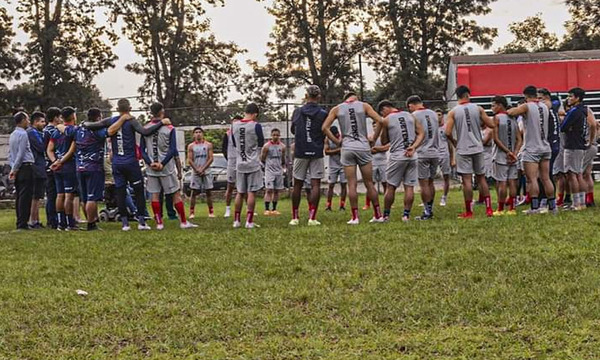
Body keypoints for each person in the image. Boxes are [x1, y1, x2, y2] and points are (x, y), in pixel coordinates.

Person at [82, 98, 168, 231]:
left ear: (117, 109)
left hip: (117, 163)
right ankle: (141, 222)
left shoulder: (111, 121)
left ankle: (125, 224)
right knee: (139, 192)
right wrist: (161, 123)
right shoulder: (131, 120)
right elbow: (145, 132)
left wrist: (83, 123)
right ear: (129, 108)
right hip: (131, 163)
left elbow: (89, 125)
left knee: (120, 192)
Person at [322, 92, 384, 225]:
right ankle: (378, 215)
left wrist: (337, 142)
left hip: (347, 148)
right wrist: (373, 138)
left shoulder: (337, 108)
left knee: (351, 184)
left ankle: (355, 217)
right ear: (356, 99)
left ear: (345, 99)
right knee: (369, 183)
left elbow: (324, 128)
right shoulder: (364, 106)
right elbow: (381, 120)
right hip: (363, 147)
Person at [140, 102, 195, 230]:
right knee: (175, 194)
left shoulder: (145, 128)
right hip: (166, 168)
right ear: (162, 111)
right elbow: (172, 150)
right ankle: (183, 222)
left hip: (151, 167)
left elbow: (142, 150)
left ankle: (159, 223)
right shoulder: (170, 128)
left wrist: (150, 163)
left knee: (154, 194)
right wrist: (162, 163)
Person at [445, 85, 495, 218]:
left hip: (463, 148)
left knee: (467, 180)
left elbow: (447, 132)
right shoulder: (478, 108)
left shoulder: (453, 112)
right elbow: (491, 124)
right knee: (481, 178)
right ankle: (489, 209)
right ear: (468, 94)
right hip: (478, 147)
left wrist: (455, 142)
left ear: (457, 96)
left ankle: (469, 211)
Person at [508, 85, 556, 214]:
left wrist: (514, 108)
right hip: (545, 146)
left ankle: (535, 207)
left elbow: (511, 112)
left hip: (532, 147)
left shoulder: (527, 106)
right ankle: (552, 206)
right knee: (546, 178)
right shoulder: (545, 106)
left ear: (525, 96)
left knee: (532, 179)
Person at [377, 100, 424, 221]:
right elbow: (421, 133)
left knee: (391, 186)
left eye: (382, 113)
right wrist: (414, 146)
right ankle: (406, 215)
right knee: (409, 187)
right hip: (412, 155)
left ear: (384, 109)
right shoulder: (410, 115)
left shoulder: (386, 120)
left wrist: (384, 129)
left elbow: (384, 141)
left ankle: (386, 215)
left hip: (397, 156)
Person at [289, 85, 327, 226]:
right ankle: (312, 217)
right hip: (316, 150)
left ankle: (295, 217)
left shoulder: (297, 111)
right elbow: (325, 130)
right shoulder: (323, 113)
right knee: (315, 183)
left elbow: (294, 129)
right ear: (318, 96)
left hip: (300, 150)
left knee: (297, 184)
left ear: (306, 96)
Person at [559, 88, 593, 211]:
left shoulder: (573, 111)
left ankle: (576, 204)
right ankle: (582, 203)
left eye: (571, 96)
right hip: (580, 144)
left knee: (571, 175)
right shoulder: (584, 110)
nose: (568, 98)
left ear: (577, 98)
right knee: (579, 174)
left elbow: (563, 127)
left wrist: (565, 121)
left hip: (572, 145)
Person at [231, 103, 265, 229]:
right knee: (251, 192)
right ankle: (249, 221)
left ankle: (236, 220)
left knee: (240, 192)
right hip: (253, 163)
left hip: (240, 163)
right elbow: (261, 142)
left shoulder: (234, 125)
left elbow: (235, 143)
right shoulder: (256, 125)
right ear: (255, 114)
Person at [74, 108, 108, 231]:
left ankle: (90, 220)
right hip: (94, 167)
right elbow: (110, 132)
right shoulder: (97, 130)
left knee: (84, 198)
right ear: (98, 117)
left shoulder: (79, 129)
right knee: (92, 197)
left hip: (80, 167)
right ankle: (91, 223)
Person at [408, 95, 439, 220]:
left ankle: (427, 212)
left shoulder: (414, 115)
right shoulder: (433, 114)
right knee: (431, 183)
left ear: (412, 105)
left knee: (424, 184)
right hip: (435, 152)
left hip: (422, 153)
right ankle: (430, 209)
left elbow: (413, 134)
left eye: (409, 107)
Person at [47, 107, 78, 230]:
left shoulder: (55, 132)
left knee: (60, 195)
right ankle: (70, 224)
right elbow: (72, 149)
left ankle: (61, 223)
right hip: (68, 165)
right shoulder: (73, 130)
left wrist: (54, 161)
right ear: (72, 116)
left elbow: (49, 149)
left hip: (58, 168)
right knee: (69, 195)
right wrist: (60, 161)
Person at [491, 96, 522, 215]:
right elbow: (519, 139)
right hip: (513, 156)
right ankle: (512, 208)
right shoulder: (513, 119)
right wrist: (514, 153)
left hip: (500, 155)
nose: (492, 108)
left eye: (494, 105)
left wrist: (507, 152)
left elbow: (496, 139)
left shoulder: (497, 118)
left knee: (502, 182)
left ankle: (500, 209)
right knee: (512, 182)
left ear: (500, 105)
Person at [9, 112, 35, 231]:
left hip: (17, 167)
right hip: (25, 166)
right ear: (23, 120)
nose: (29, 122)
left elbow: (11, 154)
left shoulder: (13, 134)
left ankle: (20, 220)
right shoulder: (23, 134)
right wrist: (16, 168)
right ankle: (23, 223)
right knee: (26, 196)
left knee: (19, 195)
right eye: (28, 119)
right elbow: (21, 153)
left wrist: (13, 168)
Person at [188, 127, 215, 219]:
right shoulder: (191, 146)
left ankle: (211, 211)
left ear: (203, 134)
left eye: (200, 132)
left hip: (206, 171)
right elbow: (190, 160)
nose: (198, 134)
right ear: (193, 134)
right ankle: (191, 212)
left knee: (208, 191)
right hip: (196, 172)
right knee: (193, 192)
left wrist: (203, 169)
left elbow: (211, 158)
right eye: (196, 132)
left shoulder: (208, 145)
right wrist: (197, 169)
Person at [27, 111, 47, 228]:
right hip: (36, 167)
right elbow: (41, 147)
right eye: (42, 121)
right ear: (35, 122)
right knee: (35, 195)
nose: (44, 124)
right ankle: (33, 220)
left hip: (39, 166)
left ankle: (36, 219)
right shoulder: (32, 133)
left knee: (38, 196)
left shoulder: (36, 132)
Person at [43, 107, 61, 229]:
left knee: (51, 194)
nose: (61, 119)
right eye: (59, 117)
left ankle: (51, 219)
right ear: (55, 118)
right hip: (52, 164)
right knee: (54, 194)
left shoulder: (44, 130)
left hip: (46, 164)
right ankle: (53, 220)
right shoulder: (52, 131)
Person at [222, 115, 243, 218]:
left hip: (241, 161)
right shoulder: (227, 134)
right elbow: (224, 148)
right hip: (232, 161)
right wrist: (229, 159)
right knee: (230, 186)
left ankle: (248, 207)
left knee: (244, 186)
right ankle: (228, 209)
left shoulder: (243, 133)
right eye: (234, 122)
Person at [261, 128, 285, 216]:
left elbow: (283, 158)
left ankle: (274, 209)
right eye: (274, 135)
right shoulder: (266, 146)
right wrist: (266, 166)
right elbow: (262, 158)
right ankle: (267, 209)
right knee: (269, 189)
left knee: (276, 190)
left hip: (278, 170)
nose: (275, 137)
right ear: (271, 135)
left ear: (279, 136)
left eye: (277, 135)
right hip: (269, 170)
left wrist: (283, 167)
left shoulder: (282, 146)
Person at [324, 126, 347, 211]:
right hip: (333, 165)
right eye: (335, 135)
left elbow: (346, 150)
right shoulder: (327, 139)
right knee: (331, 185)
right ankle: (328, 206)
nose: (337, 136)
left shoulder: (343, 138)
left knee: (343, 184)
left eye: (337, 134)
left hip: (343, 164)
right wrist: (338, 150)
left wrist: (341, 150)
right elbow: (326, 152)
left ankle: (342, 205)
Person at [364, 133, 388, 210]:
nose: (375, 127)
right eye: (374, 126)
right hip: (373, 163)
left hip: (383, 162)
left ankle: (387, 202)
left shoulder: (383, 137)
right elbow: (367, 150)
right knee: (371, 184)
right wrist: (379, 149)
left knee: (385, 183)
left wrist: (376, 149)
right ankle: (367, 204)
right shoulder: (370, 137)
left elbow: (386, 148)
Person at [436, 108, 454, 206]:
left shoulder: (446, 127)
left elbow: (450, 144)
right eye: (436, 115)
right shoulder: (432, 128)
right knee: (428, 178)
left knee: (446, 176)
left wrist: (452, 158)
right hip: (434, 154)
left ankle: (444, 197)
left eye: (439, 114)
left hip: (444, 154)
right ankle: (427, 198)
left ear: (442, 116)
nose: (437, 117)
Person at [582, 105, 598, 207]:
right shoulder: (588, 112)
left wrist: (591, 141)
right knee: (587, 173)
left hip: (586, 145)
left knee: (580, 173)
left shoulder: (584, 112)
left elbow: (593, 125)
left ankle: (583, 198)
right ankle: (589, 198)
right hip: (591, 145)